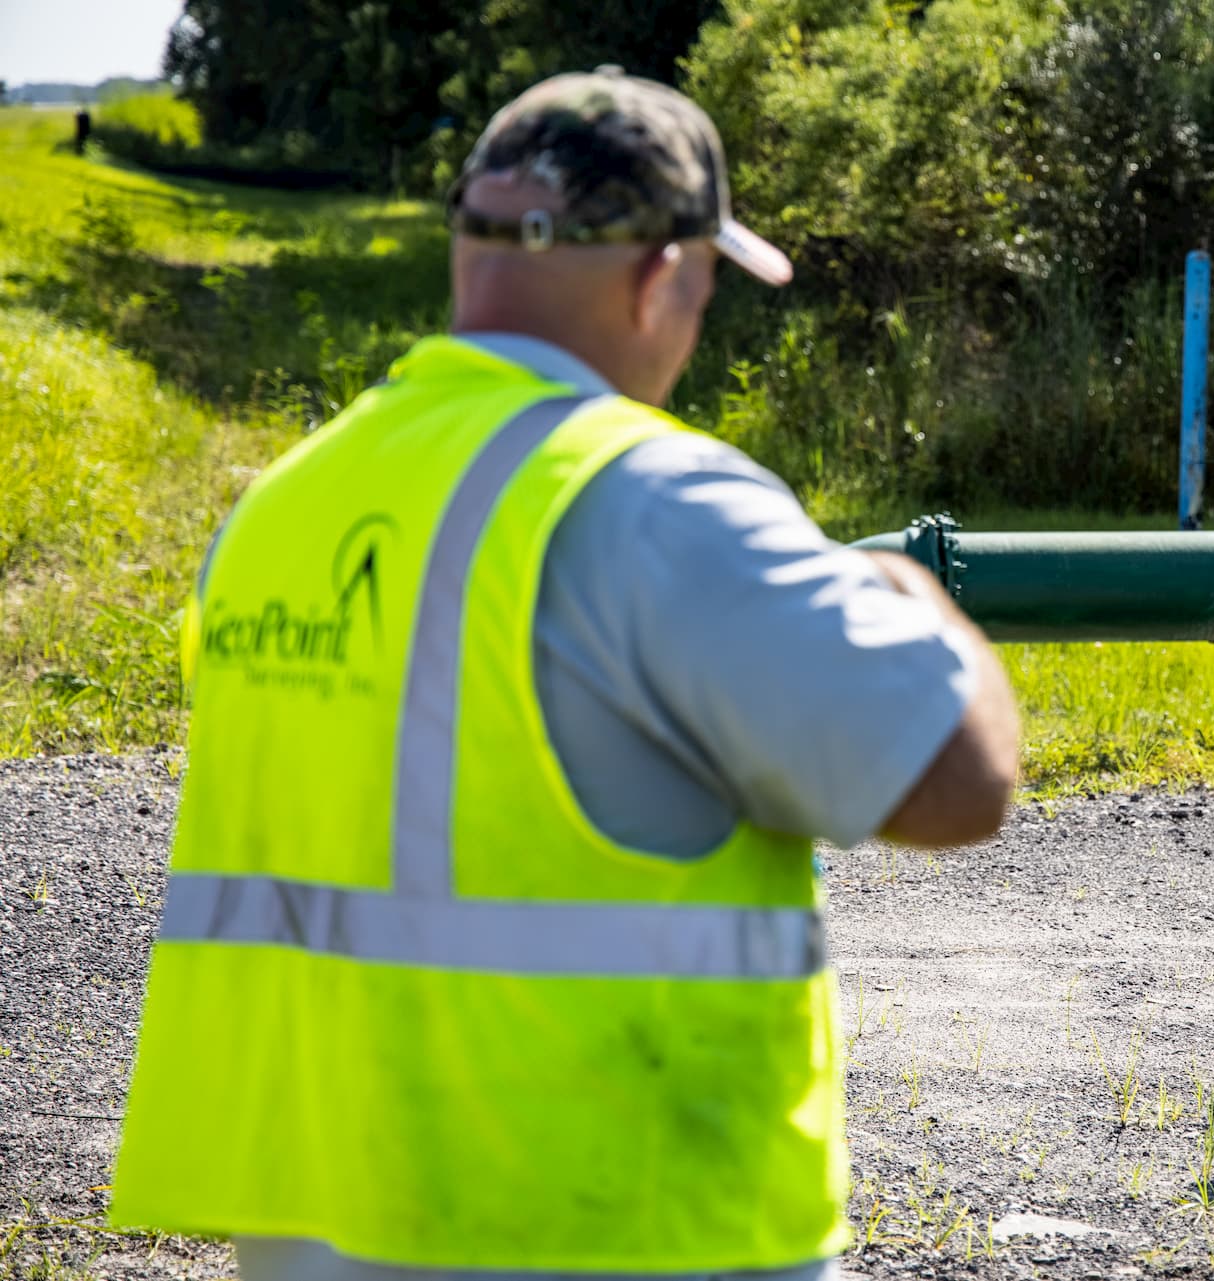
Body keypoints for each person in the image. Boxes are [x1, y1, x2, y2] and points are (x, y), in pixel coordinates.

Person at [111, 67, 1020, 1281]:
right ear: (661, 275)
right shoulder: (654, 500)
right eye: (705, 290)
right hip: (616, 1236)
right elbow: (958, 784)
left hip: (328, 1238)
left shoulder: (282, 509)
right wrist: (919, 599)